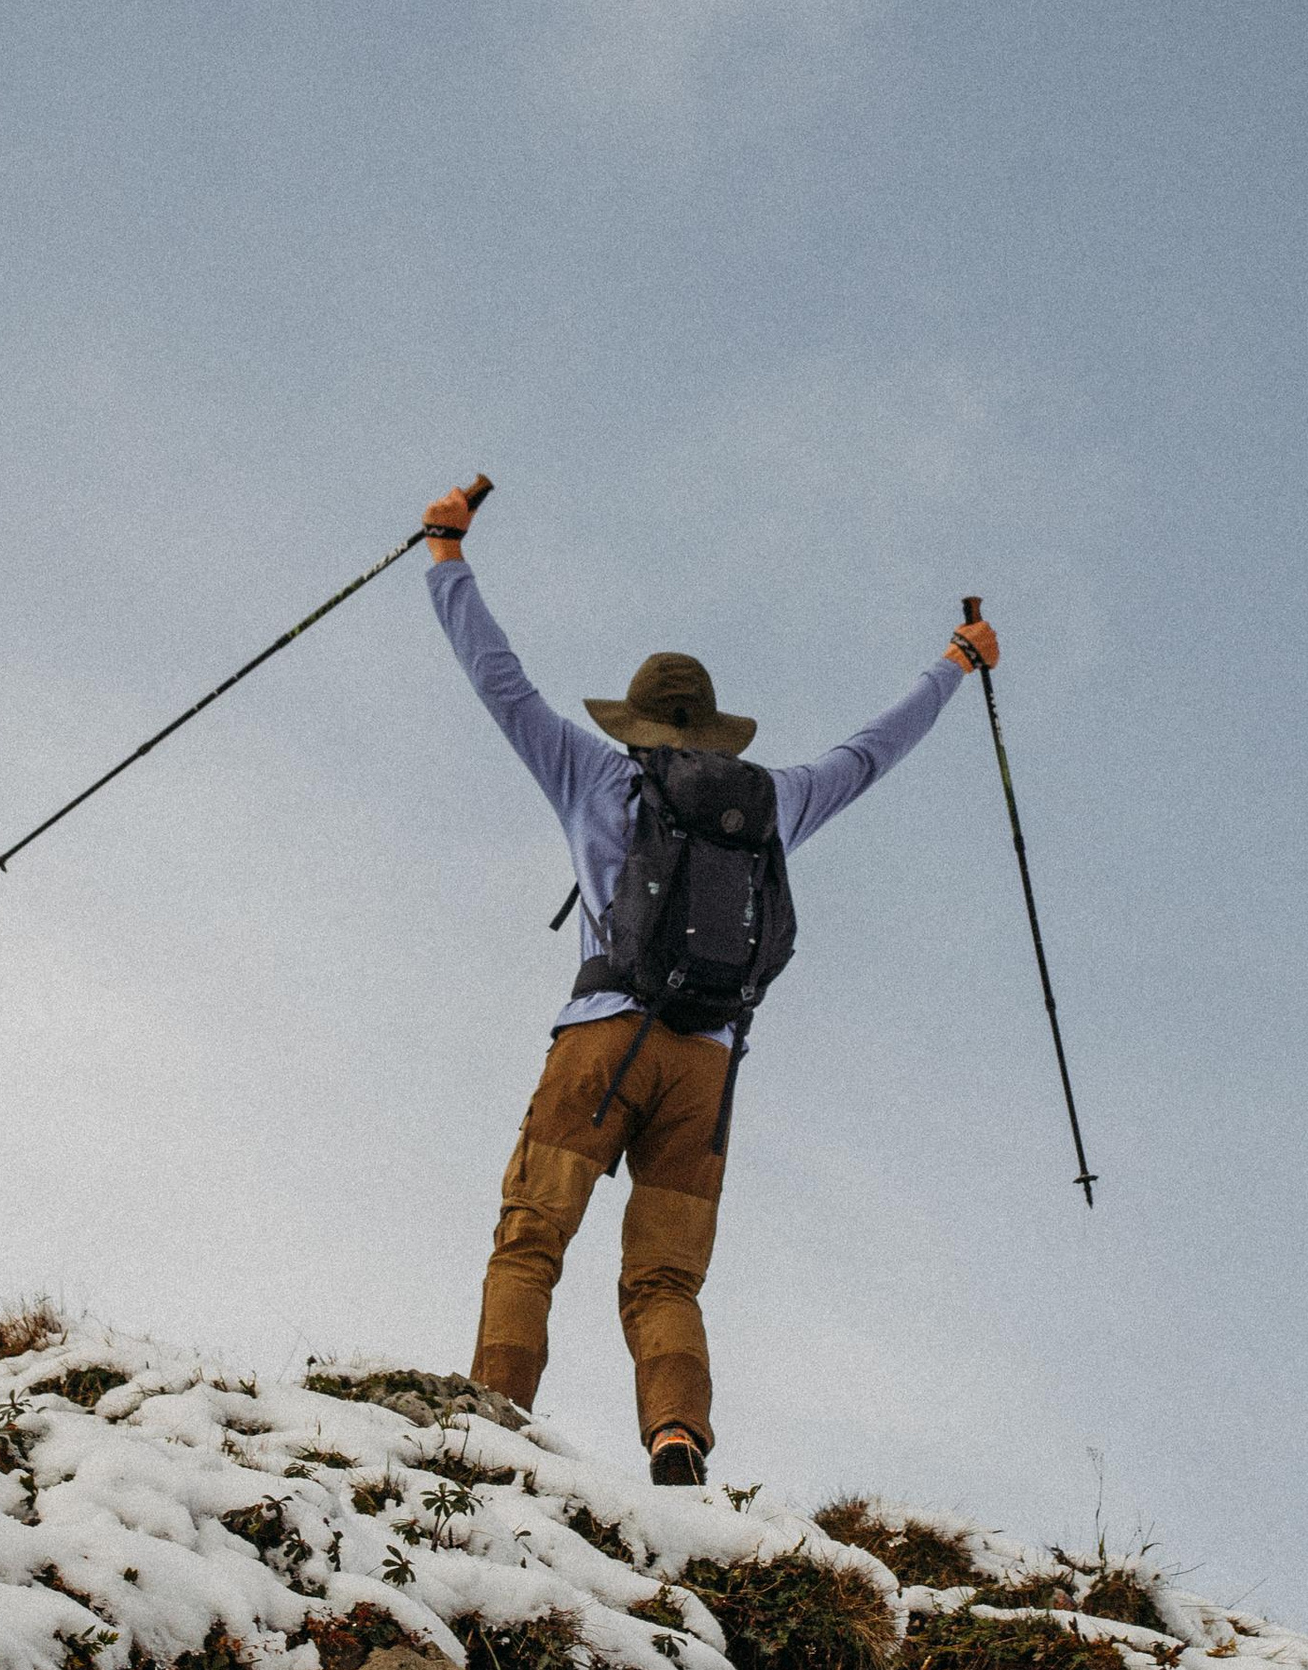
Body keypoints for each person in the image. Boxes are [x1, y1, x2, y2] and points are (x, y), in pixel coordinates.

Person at [423, 481, 1000, 1484]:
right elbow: (873, 748)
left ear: (637, 718)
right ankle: (675, 1431)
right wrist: (956, 663)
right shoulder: (775, 800)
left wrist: (445, 553)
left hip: (601, 1040)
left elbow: (498, 678)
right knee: (665, 1274)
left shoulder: (595, 774)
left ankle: (492, 1420)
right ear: (714, 730)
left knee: (532, 1240)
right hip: (707, 1067)